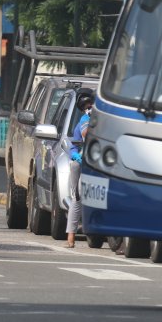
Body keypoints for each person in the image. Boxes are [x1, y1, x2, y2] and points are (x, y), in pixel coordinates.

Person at [64, 90, 94, 248]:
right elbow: (81, 138)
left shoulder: (103, 119)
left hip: (98, 163)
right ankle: (71, 237)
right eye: (86, 106)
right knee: (77, 197)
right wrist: (76, 156)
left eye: (91, 105)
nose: (89, 108)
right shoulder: (84, 120)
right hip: (82, 163)